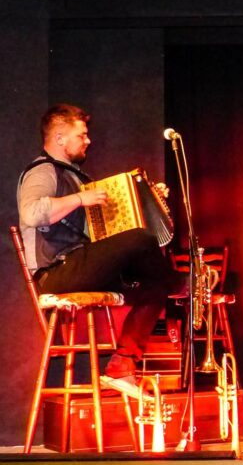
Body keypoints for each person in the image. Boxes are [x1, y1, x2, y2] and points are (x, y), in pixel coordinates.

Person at [17, 104, 182, 394]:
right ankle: (182, 284)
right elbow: (31, 213)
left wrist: (150, 199)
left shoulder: (78, 177)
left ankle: (122, 365)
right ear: (59, 138)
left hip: (82, 264)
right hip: (57, 271)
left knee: (154, 285)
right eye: (81, 135)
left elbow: (109, 229)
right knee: (141, 240)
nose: (88, 140)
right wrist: (81, 200)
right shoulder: (42, 171)